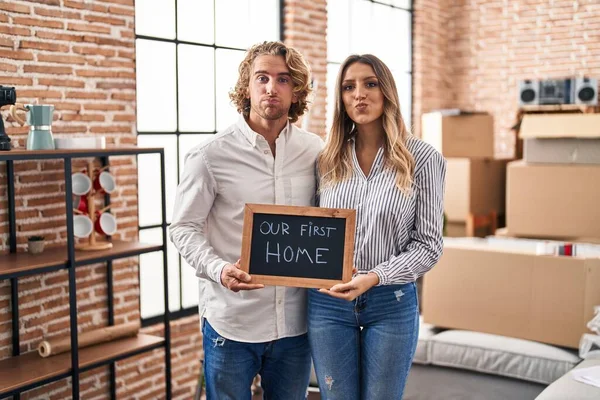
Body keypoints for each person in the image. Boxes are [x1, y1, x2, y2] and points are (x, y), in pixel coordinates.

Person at [170, 41, 323, 400]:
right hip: (232, 322)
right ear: (247, 87)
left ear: (296, 89)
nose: (272, 88)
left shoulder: (315, 151)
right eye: (262, 78)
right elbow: (182, 227)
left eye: (283, 79)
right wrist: (219, 269)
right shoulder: (210, 156)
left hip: (295, 326)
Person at [308, 54, 446, 399]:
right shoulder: (325, 160)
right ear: (341, 99)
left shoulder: (424, 159)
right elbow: (311, 231)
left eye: (370, 84)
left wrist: (374, 276)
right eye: (348, 87)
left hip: (391, 302)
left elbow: (429, 244)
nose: (360, 95)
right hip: (329, 303)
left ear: (387, 92)